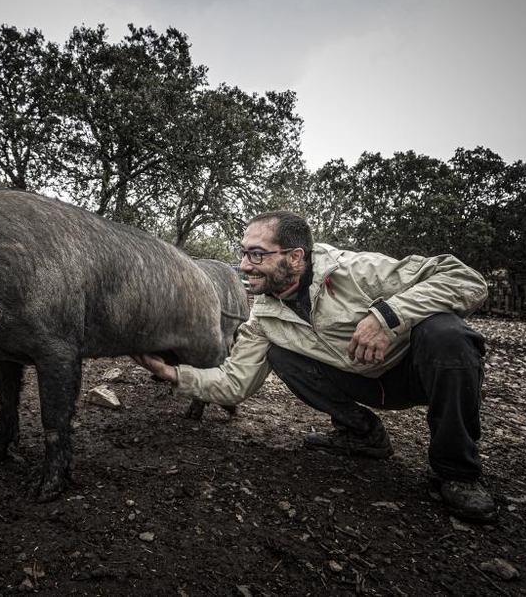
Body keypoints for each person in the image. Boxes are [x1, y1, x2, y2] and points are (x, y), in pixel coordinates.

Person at [134, 210, 497, 524]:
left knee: (448, 334)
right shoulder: (264, 316)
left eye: (257, 255)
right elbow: (235, 382)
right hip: (357, 379)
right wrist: (174, 374)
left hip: (414, 372)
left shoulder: (357, 271)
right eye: (243, 253)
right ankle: (362, 433)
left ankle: (457, 472)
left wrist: (387, 316)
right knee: (281, 354)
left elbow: (466, 279)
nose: (244, 266)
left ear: (294, 257)